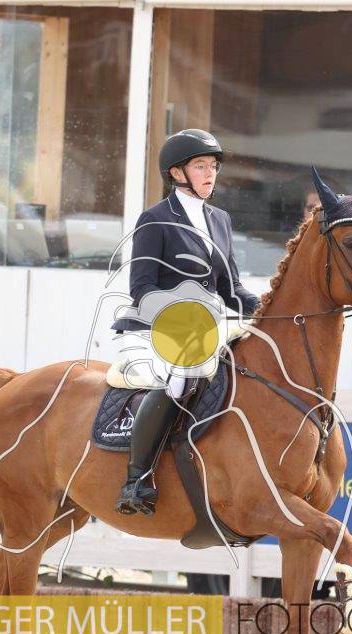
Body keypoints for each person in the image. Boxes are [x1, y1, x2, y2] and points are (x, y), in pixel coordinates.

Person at [112, 128, 260, 516]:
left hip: (206, 328)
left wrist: (263, 308)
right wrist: (182, 315)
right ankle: (136, 479)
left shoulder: (220, 219)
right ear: (177, 173)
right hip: (159, 327)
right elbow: (141, 287)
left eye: (213, 166)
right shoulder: (155, 220)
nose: (210, 174)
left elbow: (230, 288)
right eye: (201, 166)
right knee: (179, 379)